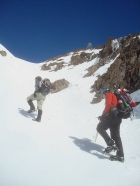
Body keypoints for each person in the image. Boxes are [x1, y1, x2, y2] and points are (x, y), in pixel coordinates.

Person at [96, 88, 124, 162]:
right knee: (115, 136)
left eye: (102, 94)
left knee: (100, 128)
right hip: (117, 117)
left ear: (104, 93)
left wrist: (103, 115)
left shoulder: (109, 94)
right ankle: (120, 156)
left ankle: (110, 144)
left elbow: (108, 105)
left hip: (112, 115)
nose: (102, 96)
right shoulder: (114, 95)